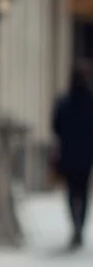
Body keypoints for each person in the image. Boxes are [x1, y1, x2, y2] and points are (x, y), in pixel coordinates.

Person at [52, 64, 93, 248]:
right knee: (83, 192)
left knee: (71, 191)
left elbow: (56, 126)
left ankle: (75, 226)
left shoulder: (63, 101)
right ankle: (79, 227)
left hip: (68, 153)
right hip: (85, 154)